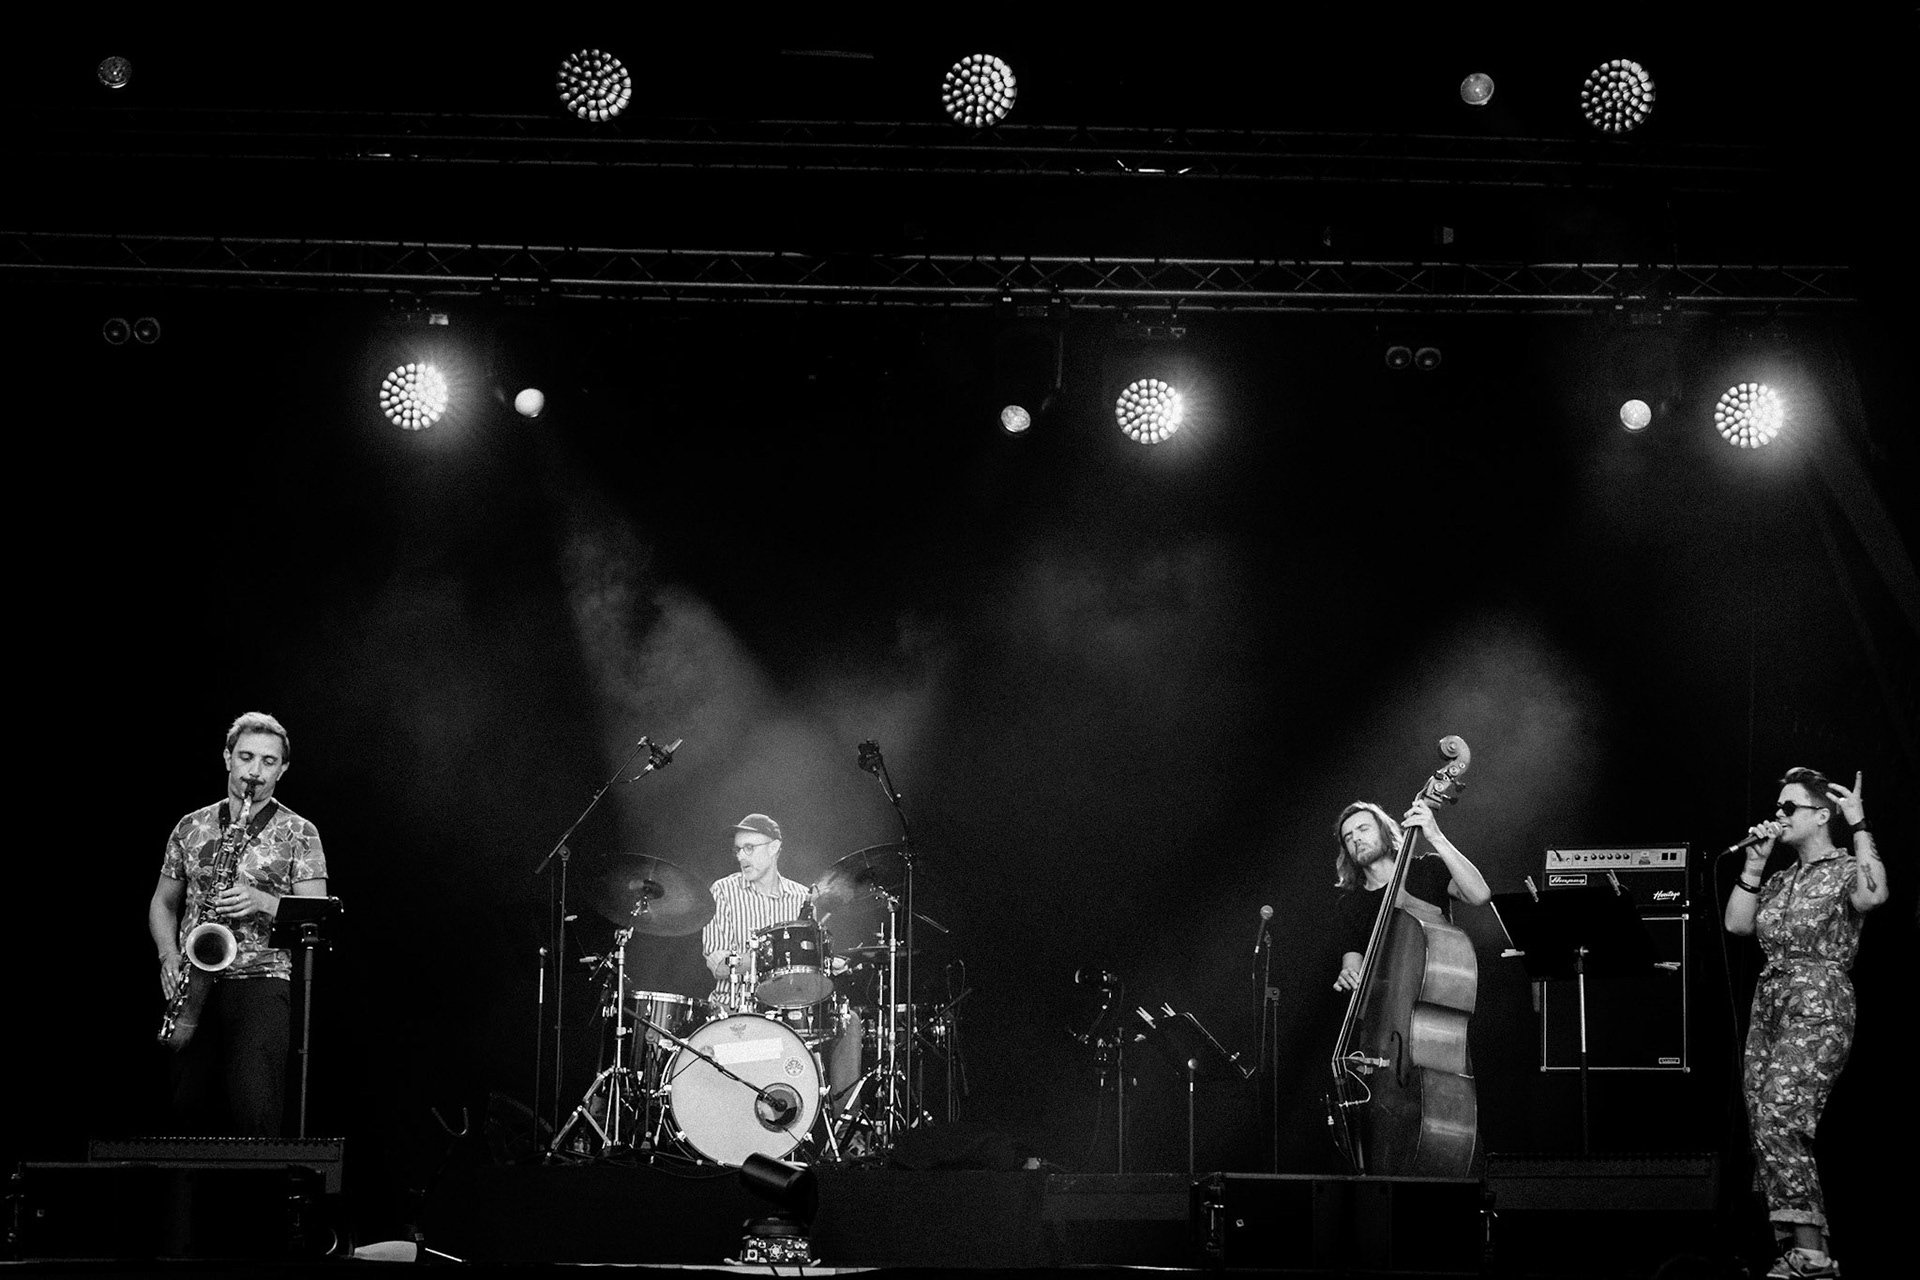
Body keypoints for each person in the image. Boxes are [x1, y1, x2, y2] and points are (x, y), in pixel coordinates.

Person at [1724, 767, 1887, 1279]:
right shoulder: (1780, 879)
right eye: (1778, 807)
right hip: (1770, 1003)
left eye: (1789, 807)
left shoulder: (1843, 869)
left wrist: (1860, 826)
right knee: (1762, 1119)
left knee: (1782, 1113)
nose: (1778, 815)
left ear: (1821, 816)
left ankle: (1813, 1253)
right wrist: (1753, 866)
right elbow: (1738, 924)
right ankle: (1797, 1251)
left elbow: (1873, 895)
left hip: (1818, 1002)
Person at [149, 711, 329, 1137]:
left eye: (269, 762)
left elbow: (318, 913)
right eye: (247, 757)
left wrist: (262, 901)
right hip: (194, 976)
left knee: (255, 1109)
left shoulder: (299, 832)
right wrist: (168, 955)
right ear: (227, 758)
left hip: (261, 979)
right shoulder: (191, 826)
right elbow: (162, 902)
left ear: (283, 768)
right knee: (182, 1111)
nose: (255, 771)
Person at [701, 814, 864, 1141]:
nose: (742, 856)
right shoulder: (723, 891)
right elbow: (716, 963)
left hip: (794, 1008)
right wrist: (762, 959)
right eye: (738, 850)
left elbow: (810, 961)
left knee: (851, 1021)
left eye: (750, 847)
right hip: (737, 1005)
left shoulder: (802, 897)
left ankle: (847, 1133)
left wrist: (829, 964)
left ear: (775, 847)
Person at [1330, 797, 1491, 992]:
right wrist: (1348, 975)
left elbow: (1480, 895)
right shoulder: (1349, 905)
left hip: (1438, 992)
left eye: (1363, 829)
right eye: (1348, 837)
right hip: (1383, 1006)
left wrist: (1436, 837)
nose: (1356, 838)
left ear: (1384, 832)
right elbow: (1352, 964)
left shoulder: (1428, 868)